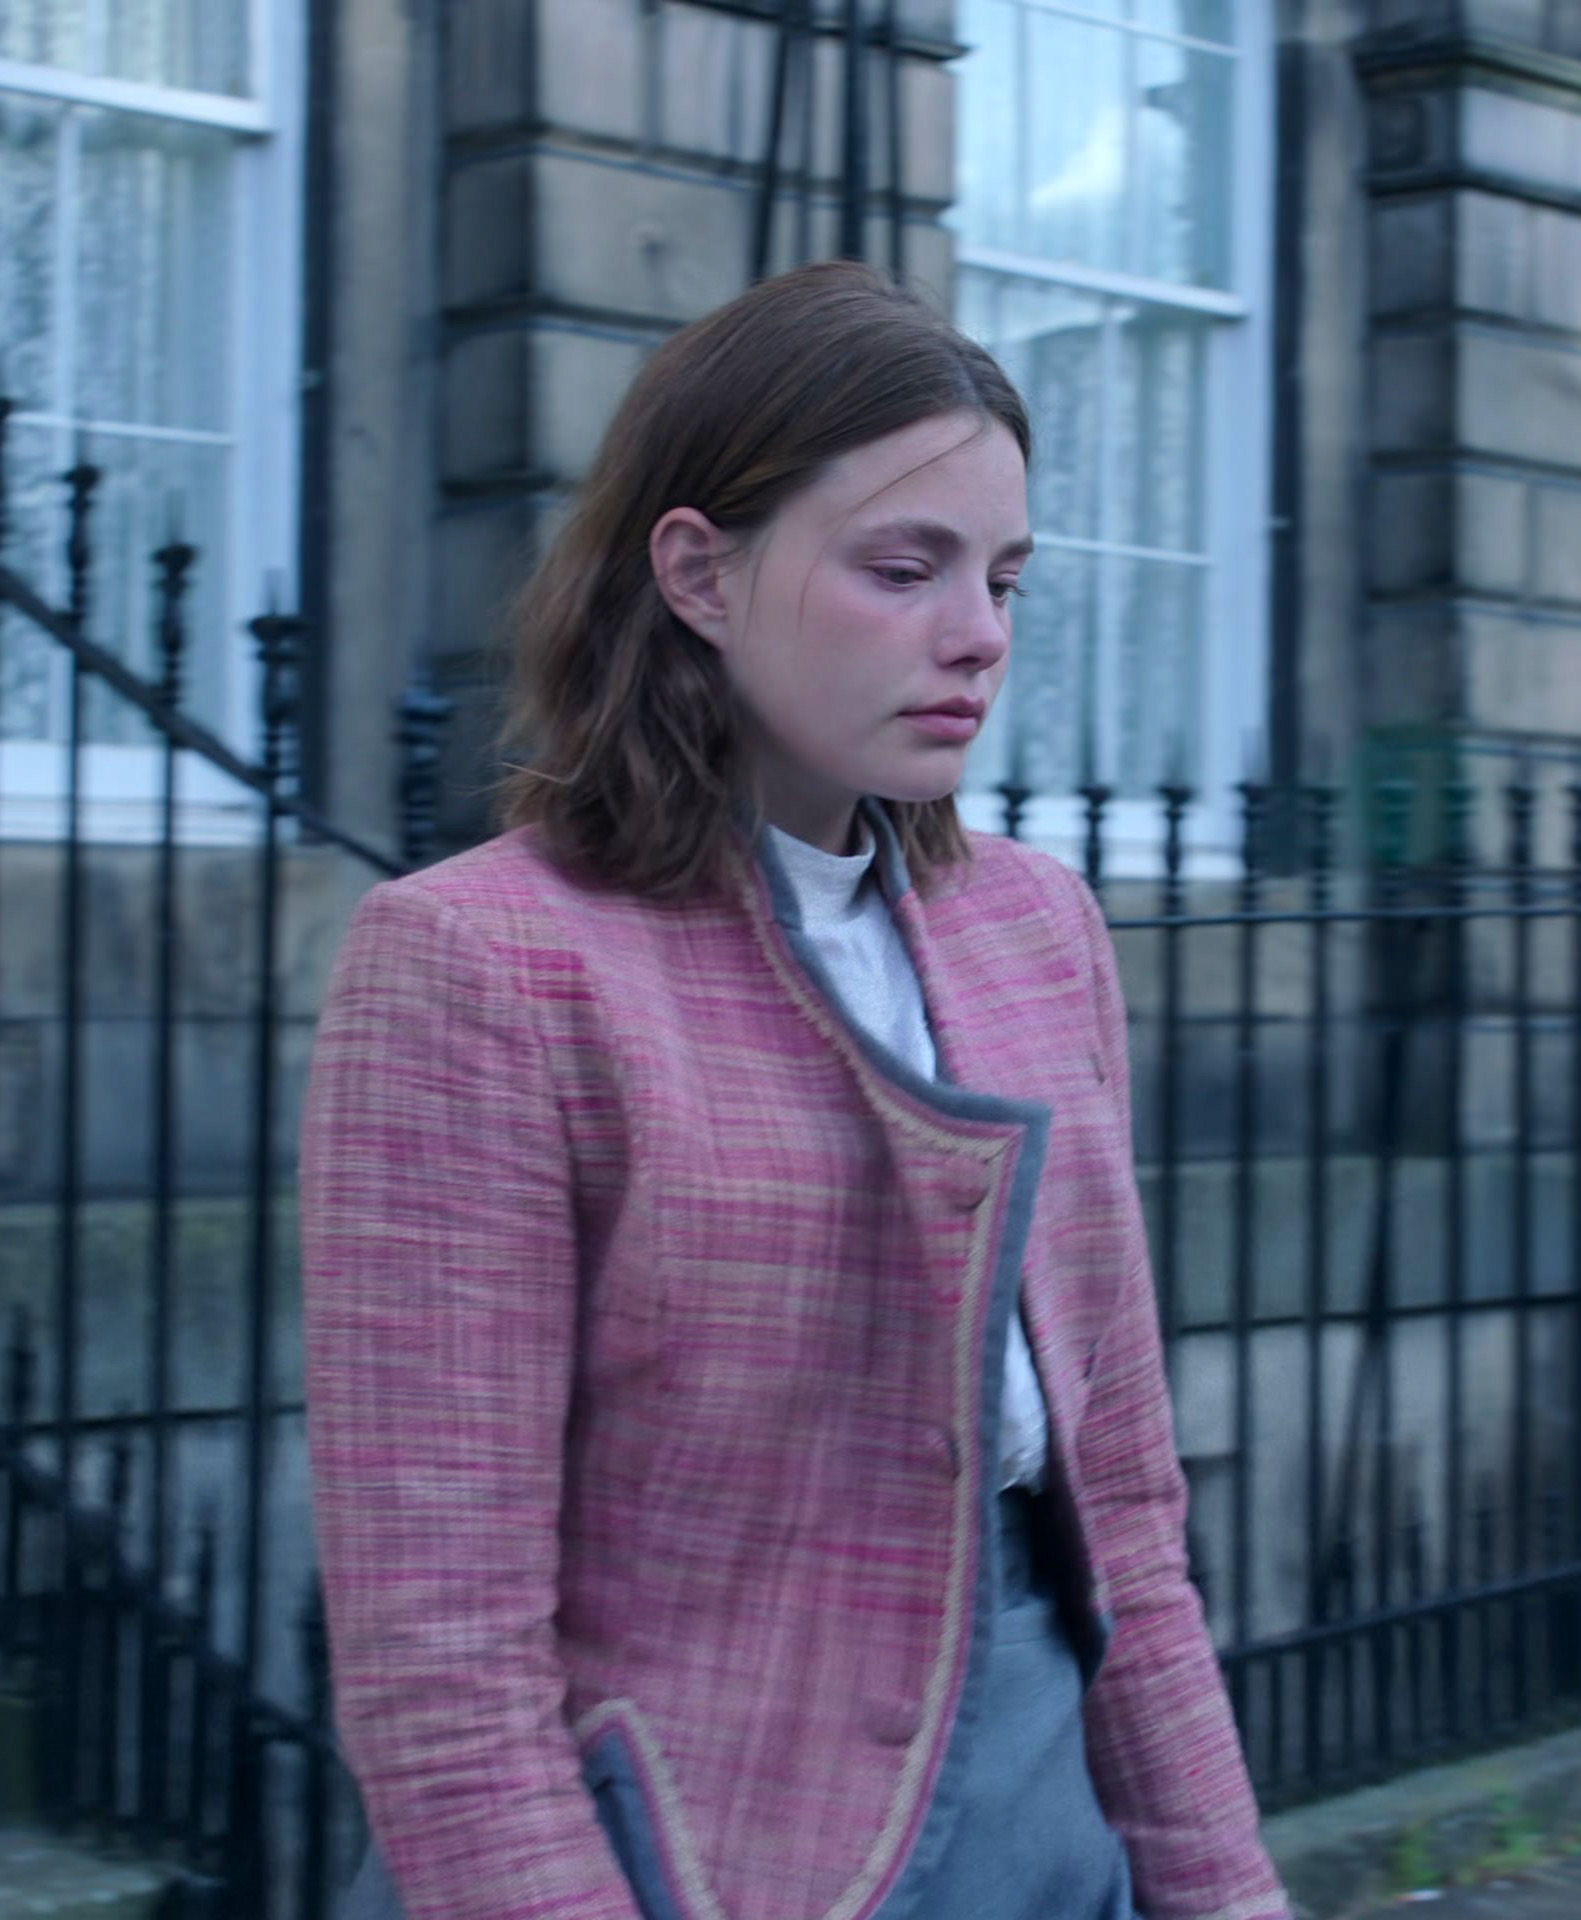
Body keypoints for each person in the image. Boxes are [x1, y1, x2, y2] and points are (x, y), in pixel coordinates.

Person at [300, 261, 1290, 1920]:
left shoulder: (1035, 933)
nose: (976, 636)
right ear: (698, 571)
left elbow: (1122, 1515)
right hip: (683, 1847)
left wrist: (1225, 1892)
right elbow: (441, 1660)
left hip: (1047, 1822)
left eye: (1004, 579)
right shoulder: (480, 962)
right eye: (902, 569)